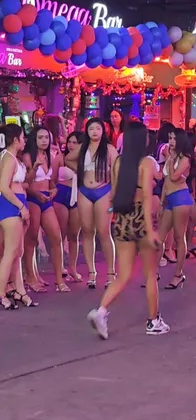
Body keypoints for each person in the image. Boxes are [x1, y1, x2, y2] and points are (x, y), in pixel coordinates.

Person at [87, 121, 169, 339]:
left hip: (122, 219)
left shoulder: (118, 162)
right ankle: (153, 321)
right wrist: (150, 231)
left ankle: (101, 311)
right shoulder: (147, 163)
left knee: (122, 275)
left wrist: (112, 211)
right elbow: (146, 198)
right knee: (150, 275)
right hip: (141, 218)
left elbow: (114, 193)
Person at [66, 118, 118, 289]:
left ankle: (111, 272)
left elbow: (117, 172)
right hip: (84, 191)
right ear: (87, 131)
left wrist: (115, 194)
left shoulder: (109, 149)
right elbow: (68, 159)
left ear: (103, 131)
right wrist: (79, 170)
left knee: (104, 232)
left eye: (98, 128)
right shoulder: (82, 148)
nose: (95, 131)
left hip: (104, 191)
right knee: (87, 231)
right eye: (91, 129)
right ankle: (91, 272)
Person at [23, 126, 68, 293]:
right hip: (32, 198)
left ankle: (59, 280)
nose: (44, 140)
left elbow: (51, 180)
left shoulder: (50, 155)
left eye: (47, 137)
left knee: (56, 237)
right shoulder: (28, 156)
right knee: (32, 238)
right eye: (41, 137)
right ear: (34, 139)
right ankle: (31, 277)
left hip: (47, 199)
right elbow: (25, 183)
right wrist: (34, 169)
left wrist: (54, 189)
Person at [0, 124, 38, 309]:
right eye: (22, 137)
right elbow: (4, 187)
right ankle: (1, 293)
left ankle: (20, 290)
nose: (24, 141)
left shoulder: (11, 157)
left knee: (17, 252)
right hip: (11, 207)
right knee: (10, 252)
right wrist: (21, 206)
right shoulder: (8, 158)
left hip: (14, 206)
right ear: (15, 140)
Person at [159, 128, 194, 289]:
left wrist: (171, 160)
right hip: (169, 198)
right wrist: (161, 202)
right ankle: (153, 273)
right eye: (169, 138)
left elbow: (173, 177)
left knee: (179, 237)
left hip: (181, 197)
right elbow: (166, 181)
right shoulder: (170, 156)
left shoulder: (185, 158)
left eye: (173, 138)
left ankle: (178, 274)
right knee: (160, 237)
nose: (171, 141)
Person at [53, 131, 84, 282]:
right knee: (61, 233)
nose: (71, 145)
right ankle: (60, 268)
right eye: (69, 142)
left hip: (78, 195)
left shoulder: (85, 160)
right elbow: (52, 180)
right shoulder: (60, 158)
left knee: (74, 234)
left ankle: (73, 268)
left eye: (75, 142)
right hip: (61, 194)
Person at [155, 122, 176, 265]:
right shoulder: (166, 147)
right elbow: (171, 162)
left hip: (161, 182)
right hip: (166, 182)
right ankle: (167, 249)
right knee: (169, 218)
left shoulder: (157, 146)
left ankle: (164, 249)